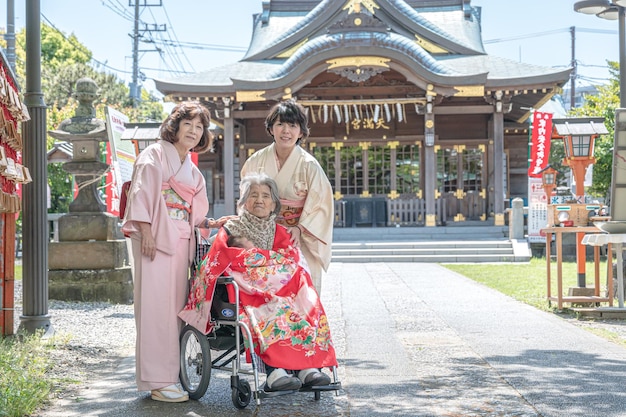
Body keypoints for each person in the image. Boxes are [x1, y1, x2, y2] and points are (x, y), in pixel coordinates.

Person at [179, 173, 337, 392]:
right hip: (248, 292)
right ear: (244, 201)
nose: (260, 200)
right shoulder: (231, 229)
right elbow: (220, 260)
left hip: (282, 291)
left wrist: (263, 261)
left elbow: (291, 262)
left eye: (266, 195)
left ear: (274, 204)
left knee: (306, 305)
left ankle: (308, 368)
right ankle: (275, 373)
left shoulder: (280, 232)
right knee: (270, 310)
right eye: (253, 195)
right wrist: (263, 261)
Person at [122, 101, 235, 403]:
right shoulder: (153, 156)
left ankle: (169, 376)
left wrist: (209, 224)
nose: (194, 131)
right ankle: (158, 380)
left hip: (181, 239)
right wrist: (144, 231)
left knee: (174, 312)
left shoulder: (191, 168)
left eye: (200, 127)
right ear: (175, 125)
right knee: (155, 310)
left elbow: (194, 213)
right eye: (189, 124)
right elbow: (142, 194)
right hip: (155, 238)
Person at [241, 99, 334, 293]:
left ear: (301, 132)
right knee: (266, 293)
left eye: (293, 125)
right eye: (280, 124)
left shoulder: (309, 165)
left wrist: (300, 229)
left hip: (298, 237)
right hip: (263, 236)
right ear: (271, 128)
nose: (286, 131)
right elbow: (245, 200)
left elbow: (321, 204)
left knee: (302, 292)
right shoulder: (255, 161)